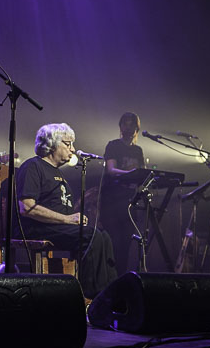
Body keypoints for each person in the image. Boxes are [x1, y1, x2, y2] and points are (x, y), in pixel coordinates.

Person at [16, 123, 117, 298]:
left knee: (103, 236)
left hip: (58, 226)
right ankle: (91, 297)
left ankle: (110, 295)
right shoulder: (33, 166)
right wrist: (67, 220)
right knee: (92, 237)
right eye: (68, 144)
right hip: (37, 227)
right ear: (51, 144)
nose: (73, 149)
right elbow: (26, 207)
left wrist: (76, 217)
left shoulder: (58, 173)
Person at [100, 112, 146, 276]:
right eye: (125, 123)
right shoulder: (113, 146)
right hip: (112, 202)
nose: (128, 127)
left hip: (129, 203)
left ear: (136, 129)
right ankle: (108, 280)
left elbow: (141, 175)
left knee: (126, 243)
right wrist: (132, 173)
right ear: (120, 126)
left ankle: (121, 279)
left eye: (131, 124)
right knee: (113, 242)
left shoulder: (138, 151)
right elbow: (111, 170)